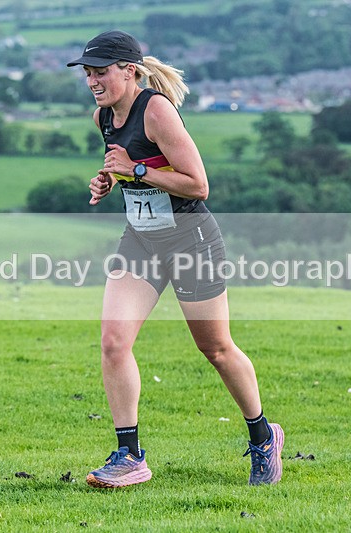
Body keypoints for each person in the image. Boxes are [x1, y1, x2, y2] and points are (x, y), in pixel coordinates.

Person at [67, 30, 284, 488]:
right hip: (141, 241)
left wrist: (137, 170)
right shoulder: (102, 116)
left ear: (129, 70)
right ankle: (130, 456)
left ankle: (264, 437)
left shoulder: (157, 110)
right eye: (88, 73)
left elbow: (198, 184)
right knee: (113, 342)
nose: (93, 81)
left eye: (100, 72)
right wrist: (109, 180)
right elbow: (125, 165)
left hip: (191, 240)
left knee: (216, 349)